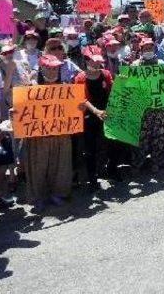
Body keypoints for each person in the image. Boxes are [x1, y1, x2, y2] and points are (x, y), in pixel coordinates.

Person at [23, 54, 73, 211]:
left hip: (61, 135)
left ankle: (57, 193)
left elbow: (74, 105)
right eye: (49, 68)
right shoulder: (30, 89)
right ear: (42, 68)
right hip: (38, 137)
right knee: (38, 167)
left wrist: (79, 108)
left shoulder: (65, 87)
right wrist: (14, 112)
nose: (52, 71)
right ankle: (38, 197)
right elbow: (20, 109)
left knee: (59, 166)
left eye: (55, 68)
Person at [74, 47, 114, 189]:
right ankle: (92, 178)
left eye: (99, 62)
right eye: (93, 62)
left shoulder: (106, 74)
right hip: (90, 116)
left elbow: (112, 90)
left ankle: (108, 170)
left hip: (107, 113)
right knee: (90, 149)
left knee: (108, 144)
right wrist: (96, 111)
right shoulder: (80, 78)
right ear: (86, 61)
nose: (97, 65)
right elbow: (82, 99)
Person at [133, 38, 164, 172]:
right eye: (145, 48)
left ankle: (157, 162)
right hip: (142, 108)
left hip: (160, 107)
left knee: (159, 135)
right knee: (141, 137)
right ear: (141, 50)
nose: (148, 50)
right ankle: (138, 163)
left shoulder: (162, 64)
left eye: (150, 47)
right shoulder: (135, 66)